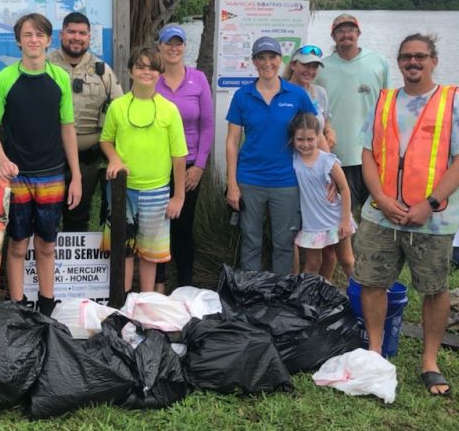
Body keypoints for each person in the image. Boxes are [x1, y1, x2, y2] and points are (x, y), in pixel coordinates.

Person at [357, 33, 459, 397]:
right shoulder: (384, 101)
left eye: (420, 57)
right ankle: (375, 350)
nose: (413, 63)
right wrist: (380, 197)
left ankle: (429, 360)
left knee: (434, 288)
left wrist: (429, 203)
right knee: (372, 281)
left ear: (433, 61)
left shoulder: (453, 102)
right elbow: (368, 154)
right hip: (382, 215)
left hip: (433, 217)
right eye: (406, 57)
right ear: (398, 62)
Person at [0, 13, 82, 317]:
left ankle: (47, 305)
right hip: (17, 177)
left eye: (40, 35)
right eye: (28, 35)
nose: (34, 40)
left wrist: (75, 175)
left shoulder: (60, 78)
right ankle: (17, 305)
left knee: (47, 245)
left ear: (49, 40)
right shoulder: (5, 78)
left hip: (52, 175)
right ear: (19, 40)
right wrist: (2, 161)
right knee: (16, 244)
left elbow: (68, 128)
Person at [225, 36, 316, 275]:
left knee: (284, 244)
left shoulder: (297, 95)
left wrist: (329, 173)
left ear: (281, 59)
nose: (267, 63)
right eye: (261, 58)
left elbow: (316, 134)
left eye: (272, 57)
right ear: (254, 62)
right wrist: (231, 184)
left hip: (286, 181)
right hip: (249, 180)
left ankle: (281, 296)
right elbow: (232, 141)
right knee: (250, 242)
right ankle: (251, 293)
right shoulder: (242, 96)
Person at [100, 46, 187, 293]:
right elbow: (106, 140)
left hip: (156, 192)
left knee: (150, 253)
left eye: (152, 68)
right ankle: (123, 299)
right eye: (140, 67)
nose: (146, 72)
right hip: (121, 191)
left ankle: (147, 300)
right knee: (123, 248)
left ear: (160, 73)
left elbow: (179, 156)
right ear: (130, 71)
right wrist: (114, 159)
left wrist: (178, 196)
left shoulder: (169, 109)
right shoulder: (118, 106)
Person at [47, 12, 123, 232]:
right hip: (49, 159)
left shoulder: (102, 71)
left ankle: (74, 266)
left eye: (82, 33)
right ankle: (46, 265)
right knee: (45, 217)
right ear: (61, 34)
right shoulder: (45, 66)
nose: (76, 37)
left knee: (78, 217)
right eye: (71, 31)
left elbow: (120, 111)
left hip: (87, 160)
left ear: (89, 37)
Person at [153, 24, 213, 290]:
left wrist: (200, 165)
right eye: (168, 43)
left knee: (183, 226)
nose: (173, 48)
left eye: (178, 43)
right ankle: (159, 281)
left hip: (189, 166)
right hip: (156, 165)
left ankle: (186, 283)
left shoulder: (198, 79)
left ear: (185, 47)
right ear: (160, 47)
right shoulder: (152, 79)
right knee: (157, 226)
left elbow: (208, 125)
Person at [316, 14, 392, 216]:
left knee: (376, 214)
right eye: (340, 31)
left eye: (350, 30)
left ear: (358, 33)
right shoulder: (321, 68)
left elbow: (389, 106)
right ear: (333, 36)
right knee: (341, 215)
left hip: (373, 153)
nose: (346, 34)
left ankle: (368, 248)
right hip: (338, 154)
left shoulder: (379, 62)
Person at [285, 44, 340, 276]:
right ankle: (297, 285)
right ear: (294, 64)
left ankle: (322, 288)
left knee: (326, 239)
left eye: (315, 66)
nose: (310, 70)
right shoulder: (283, 90)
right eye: (306, 64)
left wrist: (330, 131)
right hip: (292, 171)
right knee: (293, 234)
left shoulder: (320, 93)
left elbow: (322, 124)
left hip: (318, 171)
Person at [288, 112, 354, 279]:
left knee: (346, 260)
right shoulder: (293, 160)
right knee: (312, 264)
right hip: (312, 223)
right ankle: (306, 297)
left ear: (318, 137)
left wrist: (345, 220)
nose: (305, 144)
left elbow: (345, 188)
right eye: (300, 140)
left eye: (310, 139)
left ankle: (360, 297)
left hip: (335, 218)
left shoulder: (327, 160)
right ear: (293, 139)